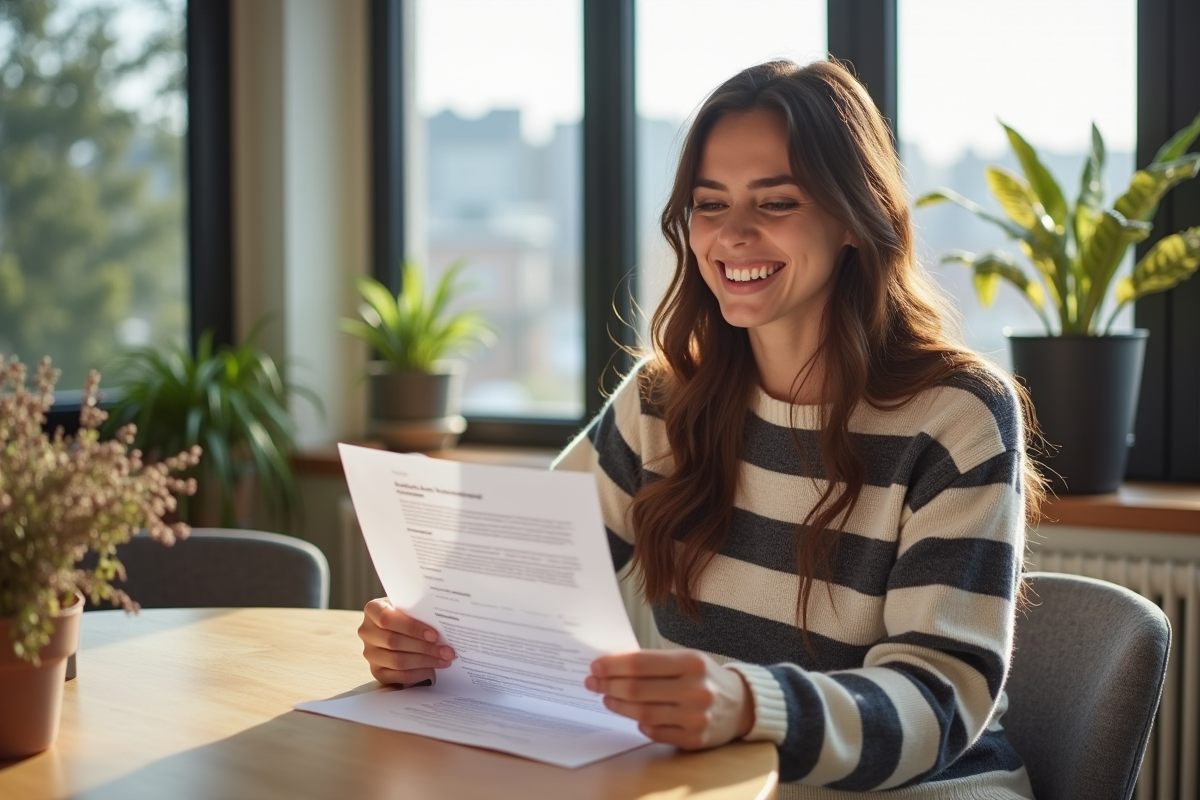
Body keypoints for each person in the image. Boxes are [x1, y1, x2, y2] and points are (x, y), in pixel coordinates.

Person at [358, 59, 1045, 798]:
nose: (733, 235)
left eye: (776, 203)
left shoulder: (956, 414)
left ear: (852, 218)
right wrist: (429, 637)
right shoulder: (664, 399)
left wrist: (752, 705)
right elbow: (517, 590)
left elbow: (939, 701)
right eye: (709, 204)